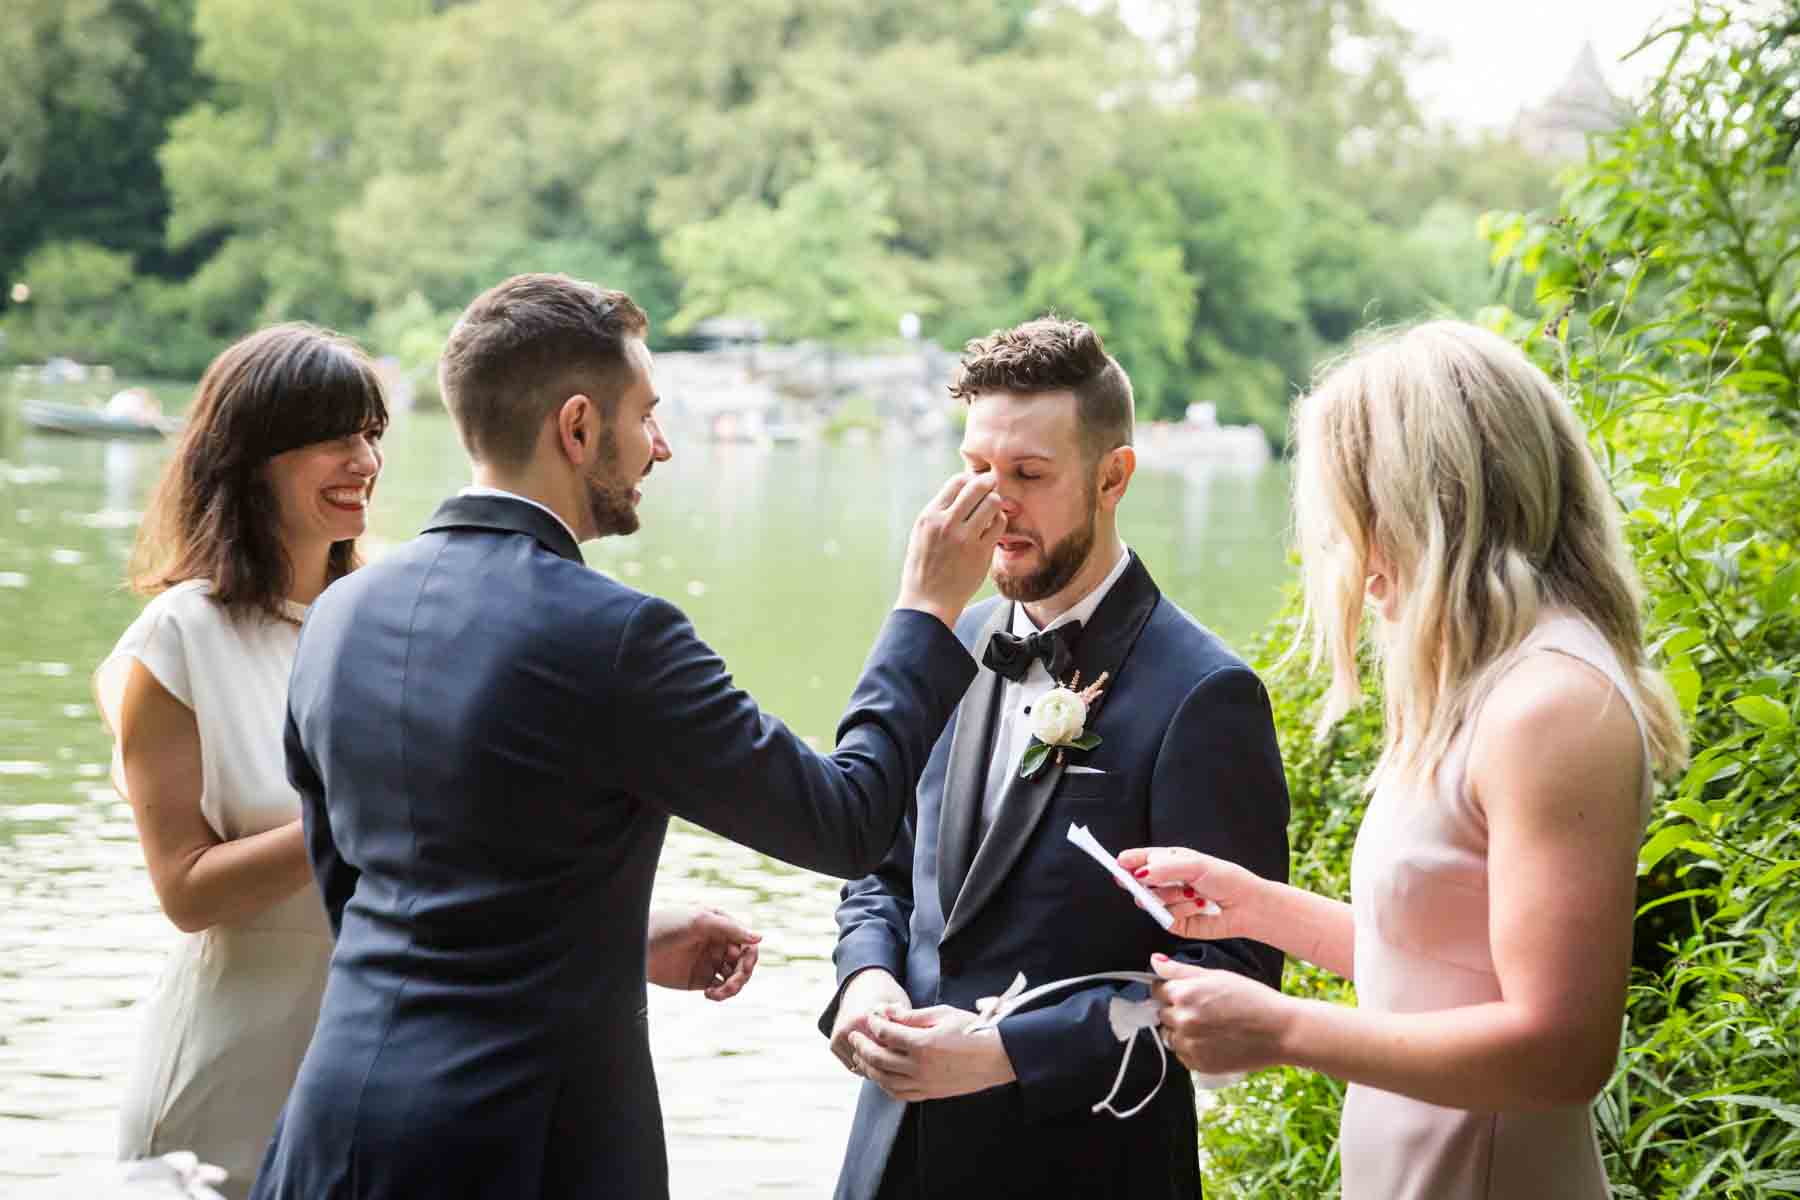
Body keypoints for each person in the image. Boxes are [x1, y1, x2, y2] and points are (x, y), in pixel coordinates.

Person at [249, 273, 1005, 1200]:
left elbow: (367, 896)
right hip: (523, 1148)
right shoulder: (616, 636)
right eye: (646, 416)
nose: (663, 446)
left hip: (335, 1127)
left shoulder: (341, 613)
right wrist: (926, 611)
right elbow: (844, 820)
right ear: (576, 428)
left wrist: (609, 936)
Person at [1125, 320, 1688, 1200]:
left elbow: (1561, 1052)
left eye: (1359, 515)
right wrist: (1254, 905)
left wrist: (1282, 1029)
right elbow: (1440, 966)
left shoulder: (1554, 705)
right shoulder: (1485, 681)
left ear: (1441, 502)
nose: (1351, 559)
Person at [821, 317, 1291, 1200]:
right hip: (891, 1158)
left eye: (1029, 476)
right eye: (975, 472)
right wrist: (866, 979)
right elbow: (877, 868)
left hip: (1083, 1166)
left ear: (1114, 477)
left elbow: (1236, 979)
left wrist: (1007, 1053)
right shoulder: (943, 639)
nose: (993, 506)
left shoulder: (1208, 694)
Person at [94, 324, 389, 1198]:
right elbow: (186, 891)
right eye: (334, 436)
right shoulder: (178, 638)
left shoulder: (388, 623)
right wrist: (360, 813)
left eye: (371, 434)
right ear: (253, 454)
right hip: (226, 1083)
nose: (364, 460)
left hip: (382, 1078)